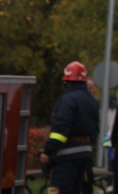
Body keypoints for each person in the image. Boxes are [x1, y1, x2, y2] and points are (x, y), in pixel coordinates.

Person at [41, 61, 100, 194]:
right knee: (76, 190)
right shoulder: (93, 101)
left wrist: (48, 151)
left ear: (67, 82)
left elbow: (60, 130)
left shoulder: (68, 100)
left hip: (67, 157)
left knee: (58, 190)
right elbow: (95, 130)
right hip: (85, 155)